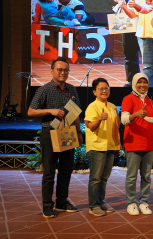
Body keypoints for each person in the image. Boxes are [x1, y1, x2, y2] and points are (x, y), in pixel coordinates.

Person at [28, 57, 83, 218]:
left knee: (66, 170)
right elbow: (31, 111)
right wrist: (50, 111)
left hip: (68, 132)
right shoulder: (43, 89)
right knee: (49, 171)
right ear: (51, 71)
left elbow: (76, 113)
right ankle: (47, 205)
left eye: (65, 70)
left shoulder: (72, 89)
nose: (63, 72)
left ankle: (61, 202)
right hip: (50, 133)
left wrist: (79, 132)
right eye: (59, 69)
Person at [121, 73, 153, 216]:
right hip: (134, 143)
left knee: (146, 176)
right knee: (131, 176)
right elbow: (124, 119)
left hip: (149, 143)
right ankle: (131, 203)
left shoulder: (151, 101)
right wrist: (135, 114)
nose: (142, 85)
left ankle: (144, 202)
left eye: (145, 82)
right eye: (139, 82)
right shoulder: (128, 99)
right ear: (134, 83)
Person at [84, 78, 121, 217]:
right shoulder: (92, 107)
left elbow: (116, 128)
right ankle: (93, 206)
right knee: (96, 178)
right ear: (94, 92)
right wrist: (99, 119)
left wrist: (117, 145)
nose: (104, 91)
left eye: (106, 88)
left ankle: (100, 202)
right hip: (97, 147)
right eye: (101, 89)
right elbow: (90, 127)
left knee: (104, 177)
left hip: (110, 146)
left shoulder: (112, 106)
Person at [112, 0, 148, 87]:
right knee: (129, 51)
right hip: (127, 17)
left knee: (150, 52)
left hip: (147, 17)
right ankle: (132, 80)